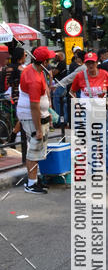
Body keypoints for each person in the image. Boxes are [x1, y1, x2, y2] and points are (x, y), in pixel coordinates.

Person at [16, 46, 55, 194]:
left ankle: (34, 180)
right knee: (34, 150)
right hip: (32, 117)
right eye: (49, 60)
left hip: (34, 116)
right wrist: (38, 129)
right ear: (44, 62)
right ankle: (31, 183)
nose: (50, 62)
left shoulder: (33, 70)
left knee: (36, 149)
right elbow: (34, 106)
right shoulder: (33, 78)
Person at [70, 53, 108, 178]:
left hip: (102, 111)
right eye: (88, 63)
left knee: (104, 141)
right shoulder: (80, 76)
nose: (90, 65)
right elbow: (72, 91)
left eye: (93, 62)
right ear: (85, 64)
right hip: (87, 112)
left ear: (97, 63)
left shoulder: (105, 74)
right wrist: (78, 104)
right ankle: (93, 168)